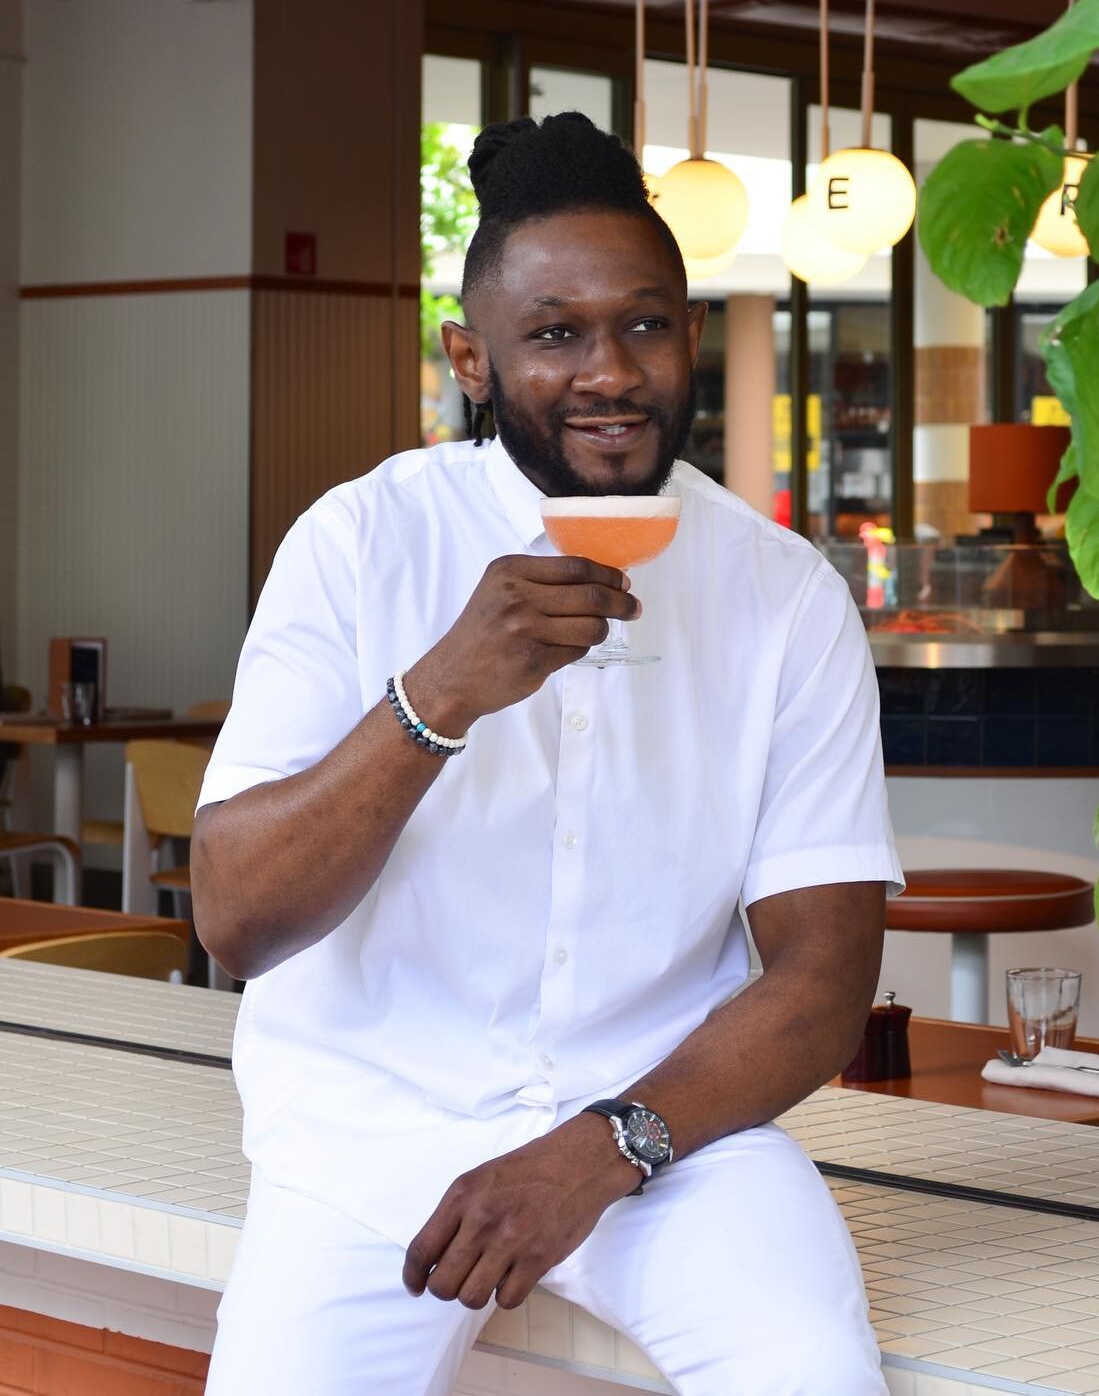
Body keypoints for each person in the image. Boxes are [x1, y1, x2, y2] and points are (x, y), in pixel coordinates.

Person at [192, 112, 902, 1396]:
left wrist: (603, 1147)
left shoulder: (784, 593)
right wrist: (442, 692)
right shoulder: (359, 545)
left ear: (692, 334)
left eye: (643, 323)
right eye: (556, 332)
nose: (609, 371)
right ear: (473, 356)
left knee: (814, 1374)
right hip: (367, 1139)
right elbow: (237, 918)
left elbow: (822, 981)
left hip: (669, 1140)